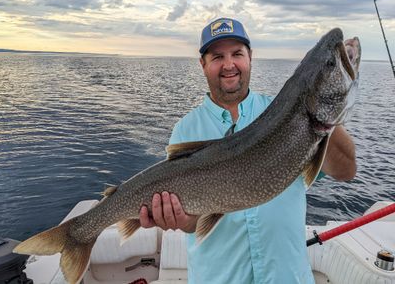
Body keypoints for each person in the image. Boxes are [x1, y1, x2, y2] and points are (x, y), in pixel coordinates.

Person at [139, 17, 356, 283]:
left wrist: (325, 118)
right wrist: (178, 218)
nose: (229, 64)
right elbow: (191, 223)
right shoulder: (185, 131)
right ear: (203, 65)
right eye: (217, 56)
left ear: (250, 57)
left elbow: (346, 170)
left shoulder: (284, 114)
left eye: (237, 54)